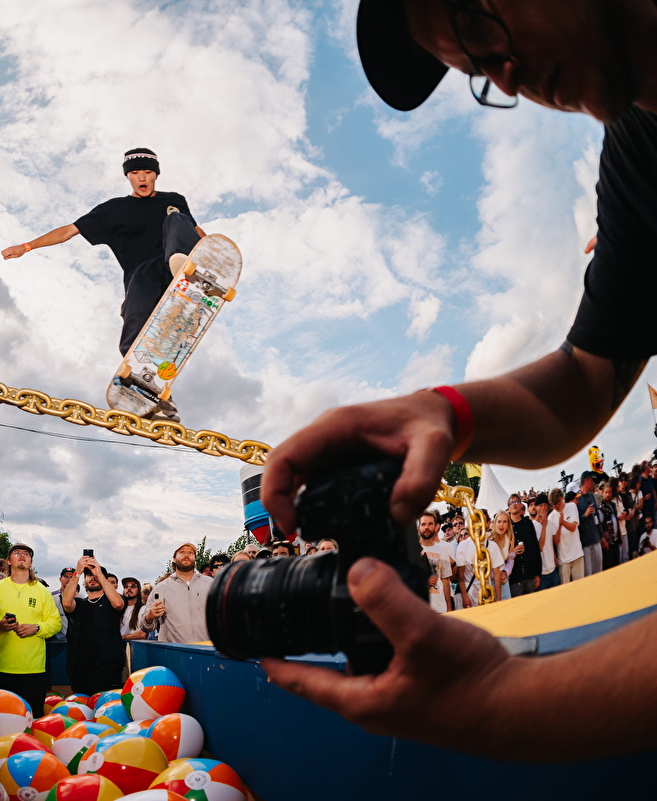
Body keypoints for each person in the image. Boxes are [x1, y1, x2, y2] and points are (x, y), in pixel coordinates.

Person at [260, 0, 657, 758]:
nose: (504, 73)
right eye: (477, 72)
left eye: (481, 28)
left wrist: (508, 702)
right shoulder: (639, 151)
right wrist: (442, 411)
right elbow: (586, 377)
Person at [0, 148, 206, 420]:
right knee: (135, 331)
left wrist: (217, 253)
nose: (142, 179)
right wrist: (27, 246)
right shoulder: (114, 210)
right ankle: (152, 397)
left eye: (147, 172)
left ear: (156, 174)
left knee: (176, 218)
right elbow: (68, 231)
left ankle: (182, 266)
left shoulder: (174, 200)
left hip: (178, 264)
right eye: (135, 174)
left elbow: (196, 231)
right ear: (128, 177)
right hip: (141, 277)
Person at [0, 543, 61, 717]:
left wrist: (36, 628)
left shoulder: (42, 591)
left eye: (27, 554)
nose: (22, 555)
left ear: (30, 563)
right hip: (1, 670)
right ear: (8, 560)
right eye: (17, 553)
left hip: (34, 672)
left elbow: (55, 623)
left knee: (32, 720)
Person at [62, 555, 126, 695]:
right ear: (84, 582)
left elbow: (118, 604)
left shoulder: (112, 601)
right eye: (89, 575)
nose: (93, 577)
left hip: (108, 670)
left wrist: (99, 574)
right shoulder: (79, 604)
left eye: (95, 574)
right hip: (81, 670)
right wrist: (77, 572)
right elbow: (66, 603)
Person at [142, 542, 213, 644]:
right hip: (175, 652)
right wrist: (149, 617)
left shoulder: (210, 583)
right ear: (174, 559)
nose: (186, 555)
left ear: (195, 558)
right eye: (182, 552)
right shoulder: (161, 588)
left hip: (207, 650)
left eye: (191, 552)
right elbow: (144, 626)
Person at [417, 510, 453, 612]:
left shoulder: (442, 550)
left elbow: (445, 580)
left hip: (440, 607)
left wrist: (449, 608)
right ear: (419, 527)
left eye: (430, 524)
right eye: (423, 524)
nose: (427, 527)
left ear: (436, 527)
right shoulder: (411, 549)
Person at [552, 488, 583, 583]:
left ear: (562, 498)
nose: (557, 506)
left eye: (558, 503)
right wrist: (560, 526)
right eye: (554, 505)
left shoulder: (572, 506)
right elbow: (556, 541)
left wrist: (563, 522)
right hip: (564, 561)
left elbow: (573, 527)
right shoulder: (551, 517)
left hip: (577, 555)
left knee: (581, 587)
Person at [119, 576, 147, 641]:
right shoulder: (119, 609)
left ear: (138, 591)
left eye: (133, 586)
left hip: (136, 648)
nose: (129, 589)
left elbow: (143, 634)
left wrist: (122, 637)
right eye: (126, 587)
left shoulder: (143, 609)